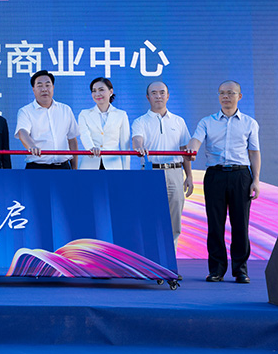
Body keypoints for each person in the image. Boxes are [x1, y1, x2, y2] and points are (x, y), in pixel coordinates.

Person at [186, 80, 260, 284]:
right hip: (215, 176)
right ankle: (216, 270)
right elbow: (196, 140)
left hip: (241, 176)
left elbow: (254, 153)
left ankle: (240, 270)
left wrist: (256, 179)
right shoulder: (206, 122)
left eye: (230, 93)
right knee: (215, 225)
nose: (225, 96)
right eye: (222, 93)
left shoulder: (249, 123)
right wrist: (192, 150)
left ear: (239, 96)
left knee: (240, 224)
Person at [131, 81, 194, 251]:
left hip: (175, 172)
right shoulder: (140, 121)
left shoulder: (179, 121)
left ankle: (170, 260)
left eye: (161, 92)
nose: (158, 96)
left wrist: (189, 176)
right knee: (149, 217)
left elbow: (184, 150)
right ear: (148, 97)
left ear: (168, 96)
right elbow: (137, 140)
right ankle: (152, 259)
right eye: (154, 93)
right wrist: (139, 147)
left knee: (174, 219)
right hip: (150, 173)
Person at [15, 70, 79, 169]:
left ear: (53, 87)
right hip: (37, 168)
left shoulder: (65, 109)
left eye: (48, 85)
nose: (44, 89)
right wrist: (32, 147)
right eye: (39, 86)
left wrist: (74, 168)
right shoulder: (25, 111)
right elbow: (22, 132)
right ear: (33, 89)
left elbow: (72, 139)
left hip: (63, 167)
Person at [78, 77, 130, 170]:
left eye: (101, 90)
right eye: (94, 91)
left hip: (113, 165)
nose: (97, 94)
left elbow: (125, 146)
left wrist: (126, 170)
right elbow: (84, 134)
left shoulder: (121, 115)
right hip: (90, 164)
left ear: (111, 91)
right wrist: (91, 148)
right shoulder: (84, 114)